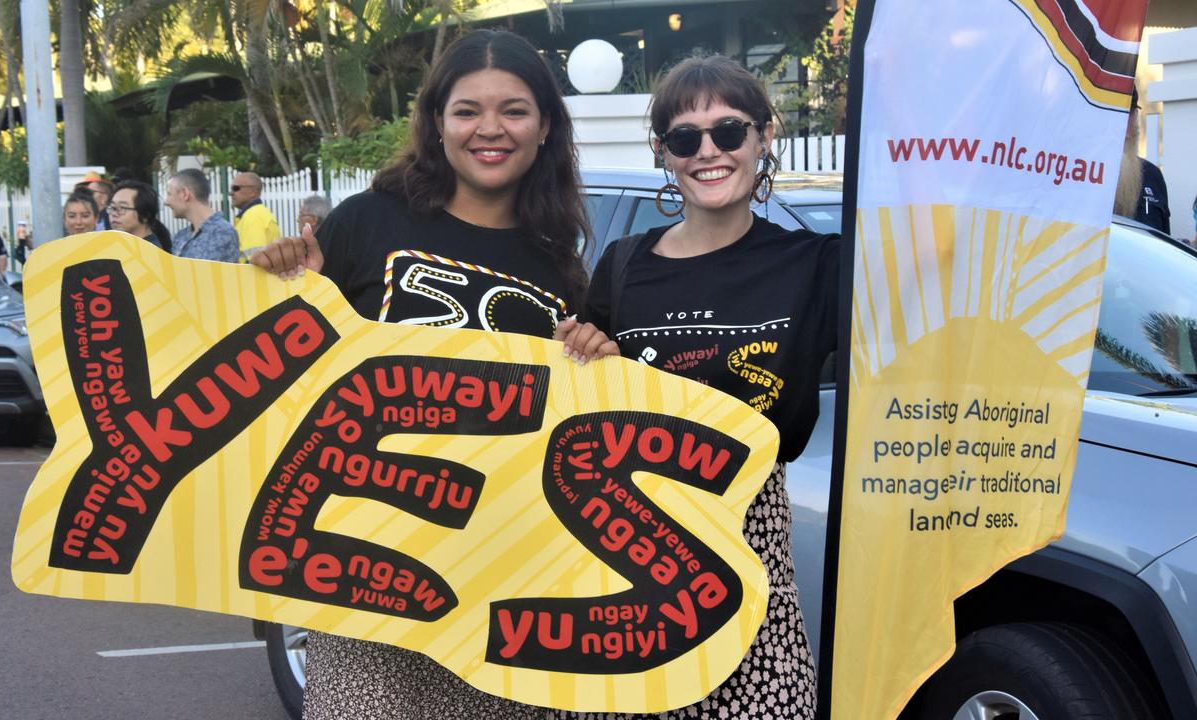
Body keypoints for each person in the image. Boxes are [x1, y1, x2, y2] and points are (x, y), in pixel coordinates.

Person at [251, 29, 610, 720]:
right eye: (467, 110)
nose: (490, 129)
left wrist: (597, 357)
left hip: (502, 577)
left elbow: (562, 425)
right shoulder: (367, 223)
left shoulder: (557, 264)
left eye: (514, 110)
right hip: (364, 570)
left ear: (544, 130)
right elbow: (281, 371)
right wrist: (275, 287)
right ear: (437, 123)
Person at [558, 54, 831, 720]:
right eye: (686, 137)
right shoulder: (624, 266)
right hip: (624, 547)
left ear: (764, 136)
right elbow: (580, 403)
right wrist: (583, 354)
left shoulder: (818, 265)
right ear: (664, 153)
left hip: (751, 547)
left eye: (729, 131)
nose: (709, 151)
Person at [1115, 89, 1169, 234]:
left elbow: (1164, 242)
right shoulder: (1086, 174)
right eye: (1118, 112)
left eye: (1130, 112)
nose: (1127, 124)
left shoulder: (1153, 175)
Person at [163, 168, 240, 262]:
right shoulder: (181, 236)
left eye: (169, 194)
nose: (166, 202)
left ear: (184, 194)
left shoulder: (222, 234)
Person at [109, 180, 174, 253]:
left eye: (122, 207)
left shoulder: (151, 254)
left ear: (145, 215)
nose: (114, 214)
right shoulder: (122, 247)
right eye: (112, 207)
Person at [230, 171, 283, 260]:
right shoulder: (258, 213)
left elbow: (254, 260)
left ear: (252, 192)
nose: (231, 193)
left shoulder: (252, 217)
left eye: (236, 188)